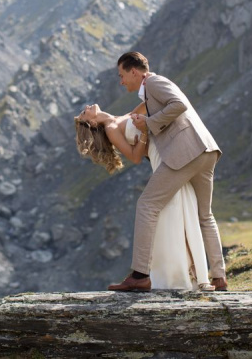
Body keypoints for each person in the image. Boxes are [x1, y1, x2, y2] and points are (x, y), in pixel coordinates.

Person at [108, 51, 226, 292]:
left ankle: (140, 275)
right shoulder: (150, 90)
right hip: (206, 150)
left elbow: (179, 105)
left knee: (147, 205)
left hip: (187, 152)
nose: (121, 81)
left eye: (122, 75)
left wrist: (148, 123)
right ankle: (219, 277)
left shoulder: (152, 82)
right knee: (205, 216)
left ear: (134, 71)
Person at [75, 103, 214, 291]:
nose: (87, 106)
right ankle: (175, 274)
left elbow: (145, 105)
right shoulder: (111, 128)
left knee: (184, 206)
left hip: (171, 154)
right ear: (91, 122)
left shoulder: (121, 117)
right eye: (85, 112)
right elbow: (134, 157)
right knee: (171, 210)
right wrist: (144, 134)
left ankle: (191, 272)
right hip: (161, 158)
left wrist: (148, 88)